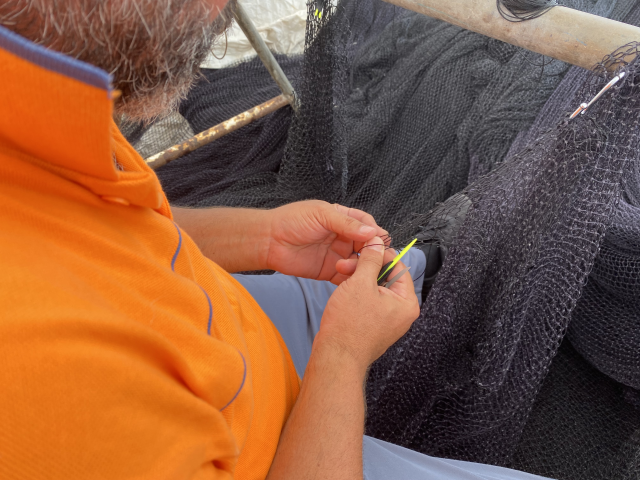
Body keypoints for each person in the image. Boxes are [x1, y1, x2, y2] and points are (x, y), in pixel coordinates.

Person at [0, 1, 552, 479]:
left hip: (226, 325)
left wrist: (263, 237)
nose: (222, 13)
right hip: (281, 451)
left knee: (374, 284)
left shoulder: (36, 80)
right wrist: (342, 356)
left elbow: (101, 228)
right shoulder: (43, 394)